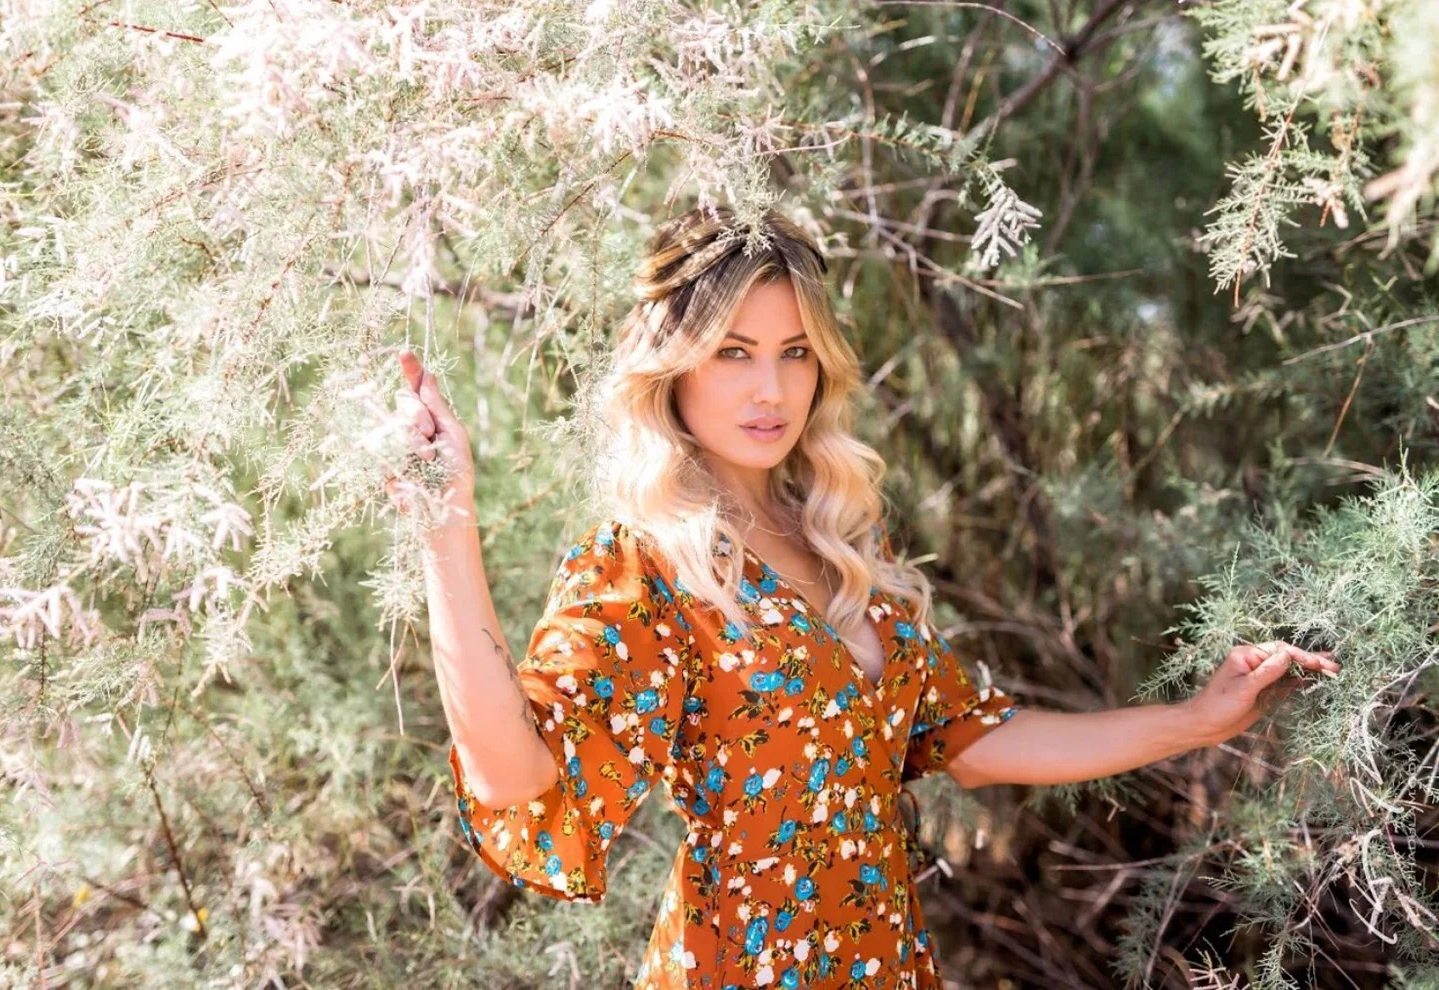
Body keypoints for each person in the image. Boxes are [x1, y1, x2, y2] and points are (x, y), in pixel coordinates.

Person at [382, 205, 1341, 989]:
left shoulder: (837, 545)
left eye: (795, 351)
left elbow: (975, 741)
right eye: (733, 352)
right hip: (742, 966)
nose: (771, 388)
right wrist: (445, 528)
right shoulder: (648, 566)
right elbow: (514, 776)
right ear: (672, 365)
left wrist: (1195, 721)